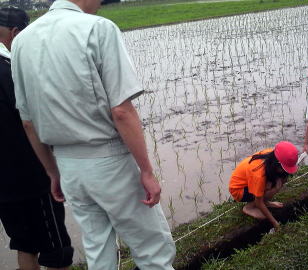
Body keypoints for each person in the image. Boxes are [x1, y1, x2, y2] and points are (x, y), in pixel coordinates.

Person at [10, 0, 176, 269]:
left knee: (98, 247)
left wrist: (53, 172)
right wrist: (146, 170)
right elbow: (121, 110)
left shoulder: (21, 41)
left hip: (67, 166)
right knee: (151, 247)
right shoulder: (99, 28)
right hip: (109, 160)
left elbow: (28, 122)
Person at [0, 7, 73, 270]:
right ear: (16, 33)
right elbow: (31, 121)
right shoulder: (10, 70)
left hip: (4, 186)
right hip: (31, 179)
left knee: (24, 243)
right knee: (57, 249)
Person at [229, 141, 298, 230]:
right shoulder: (259, 174)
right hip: (239, 190)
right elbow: (258, 201)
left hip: (250, 182)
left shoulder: (272, 156)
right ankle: (249, 208)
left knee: (280, 181)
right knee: (275, 186)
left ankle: (266, 202)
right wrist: (275, 223)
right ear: (276, 163)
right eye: (284, 168)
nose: (285, 172)